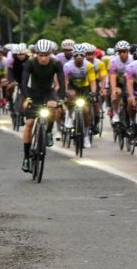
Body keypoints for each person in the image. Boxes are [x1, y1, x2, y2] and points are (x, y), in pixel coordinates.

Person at [19, 39, 65, 172]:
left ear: (50, 54)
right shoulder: (30, 63)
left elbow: (62, 84)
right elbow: (24, 82)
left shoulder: (56, 63)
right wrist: (27, 98)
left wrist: (61, 99)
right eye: (40, 55)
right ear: (36, 54)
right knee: (29, 124)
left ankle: (49, 131)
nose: (43, 58)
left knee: (52, 106)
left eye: (46, 55)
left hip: (48, 92)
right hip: (32, 92)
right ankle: (26, 158)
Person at [62, 43, 97, 149]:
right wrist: (65, 91)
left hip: (84, 88)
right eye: (76, 55)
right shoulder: (68, 66)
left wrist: (93, 92)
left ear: (84, 56)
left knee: (86, 110)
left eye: (81, 55)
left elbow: (92, 81)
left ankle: (86, 135)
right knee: (70, 95)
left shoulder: (89, 66)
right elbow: (65, 81)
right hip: (73, 86)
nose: (79, 57)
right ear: (73, 56)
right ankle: (69, 114)